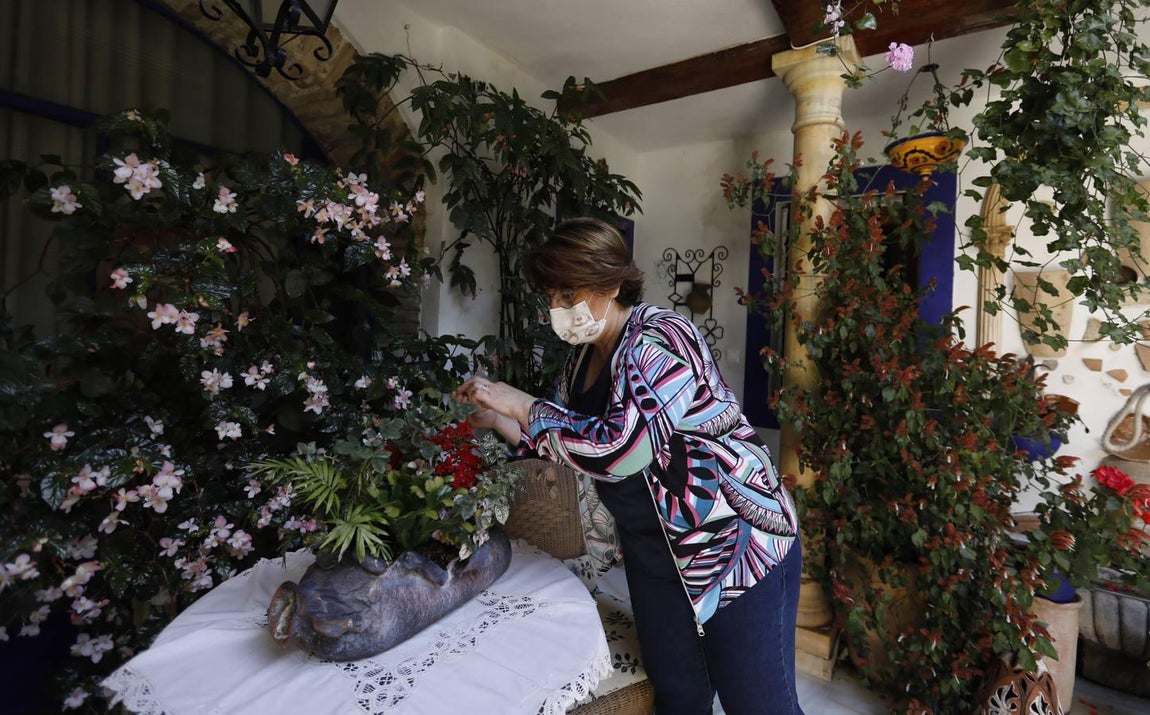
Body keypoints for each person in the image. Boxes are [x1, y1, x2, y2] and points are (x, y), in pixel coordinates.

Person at [454, 217, 804, 715]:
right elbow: (560, 441)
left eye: (569, 293)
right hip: (657, 556)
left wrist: (522, 403)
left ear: (613, 283)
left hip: (737, 547)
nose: (558, 309)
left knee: (760, 704)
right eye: (551, 296)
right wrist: (498, 417)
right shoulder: (580, 362)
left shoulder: (662, 337)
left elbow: (624, 451)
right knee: (679, 697)